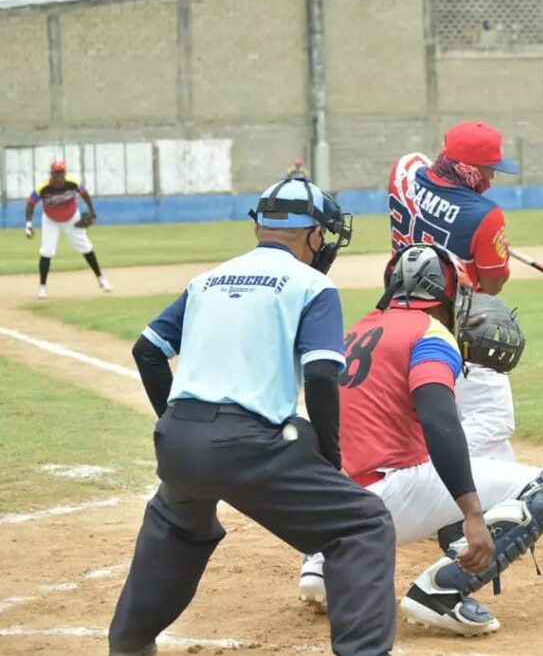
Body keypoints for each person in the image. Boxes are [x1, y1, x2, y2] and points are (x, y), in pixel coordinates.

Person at [107, 175, 396, 656]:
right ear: (314, 235)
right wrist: (330, 458)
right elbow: (321, 374)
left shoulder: (206, 280)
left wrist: (179, 427)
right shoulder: (313, 285)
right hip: (249, 445)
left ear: (260, 226)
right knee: (363, 525)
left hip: (179, 440)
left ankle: (129, 643)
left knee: (180, 524)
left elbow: (148, 351)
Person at [297, 244, 543, 637]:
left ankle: (324, 563)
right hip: (381, 499)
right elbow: (439, 422)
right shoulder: (431, 334)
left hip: (329, 502)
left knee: (413, 457)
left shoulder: (361, 328)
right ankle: (439, 593)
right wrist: (472, 513)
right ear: (449, 292)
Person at [386, 121, 519, 462]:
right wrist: (498, 253)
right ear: (467, 169)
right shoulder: (485, 215)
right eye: (487, 170)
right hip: (456, 327)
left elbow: (421, 164)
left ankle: (504, 484)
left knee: (432, 412)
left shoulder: (403, 171)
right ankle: (425, 464)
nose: (491, 179)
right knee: (493, 420)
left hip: (398, 314)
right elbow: (492, 285)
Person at [25, 160, 113, 299]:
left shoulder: (73, 182)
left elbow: (85, 195)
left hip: (71, 217)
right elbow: (30, 203)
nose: (59, 176)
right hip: (50, 220)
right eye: (56, 173)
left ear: (65, 173)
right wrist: (29, 225)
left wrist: (92, 212)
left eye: (61, 173)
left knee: (84, 246)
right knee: (47, 251)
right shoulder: (43, 187)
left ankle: (101, 278)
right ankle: (42, 287)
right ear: (51, 174)